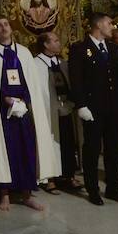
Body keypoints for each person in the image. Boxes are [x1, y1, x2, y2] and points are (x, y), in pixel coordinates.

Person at [0, 16, 54, 212]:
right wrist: (4, 99)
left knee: (26, 148)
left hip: (24, 110)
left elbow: (31, 82)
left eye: (6, 24)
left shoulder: (24, 52)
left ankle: (27, 193)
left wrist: (24, 100)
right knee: (6, 151)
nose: (4, 28)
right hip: (2, 113)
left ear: (11, 29)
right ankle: (5, 194)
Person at [69, 14, 118, 206]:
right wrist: (81, 105)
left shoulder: (112, 48)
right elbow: (76, 79)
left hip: (113, 107)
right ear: (98, 25)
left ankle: (113, 188)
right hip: (93, 107)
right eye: (109, 23)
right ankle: (93, 189)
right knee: (92, 149)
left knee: (113, 150)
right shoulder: (80, 49)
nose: (112, 26)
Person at [34, 31, 80, 192]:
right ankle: (49, 177)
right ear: (46, 44)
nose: (59, 43)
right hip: (47, 110)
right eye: (55, 40)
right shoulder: (36, 64)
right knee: (49, 142)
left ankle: (69, 175)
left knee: (67, 141)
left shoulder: (62, 63)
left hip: (64, 108)